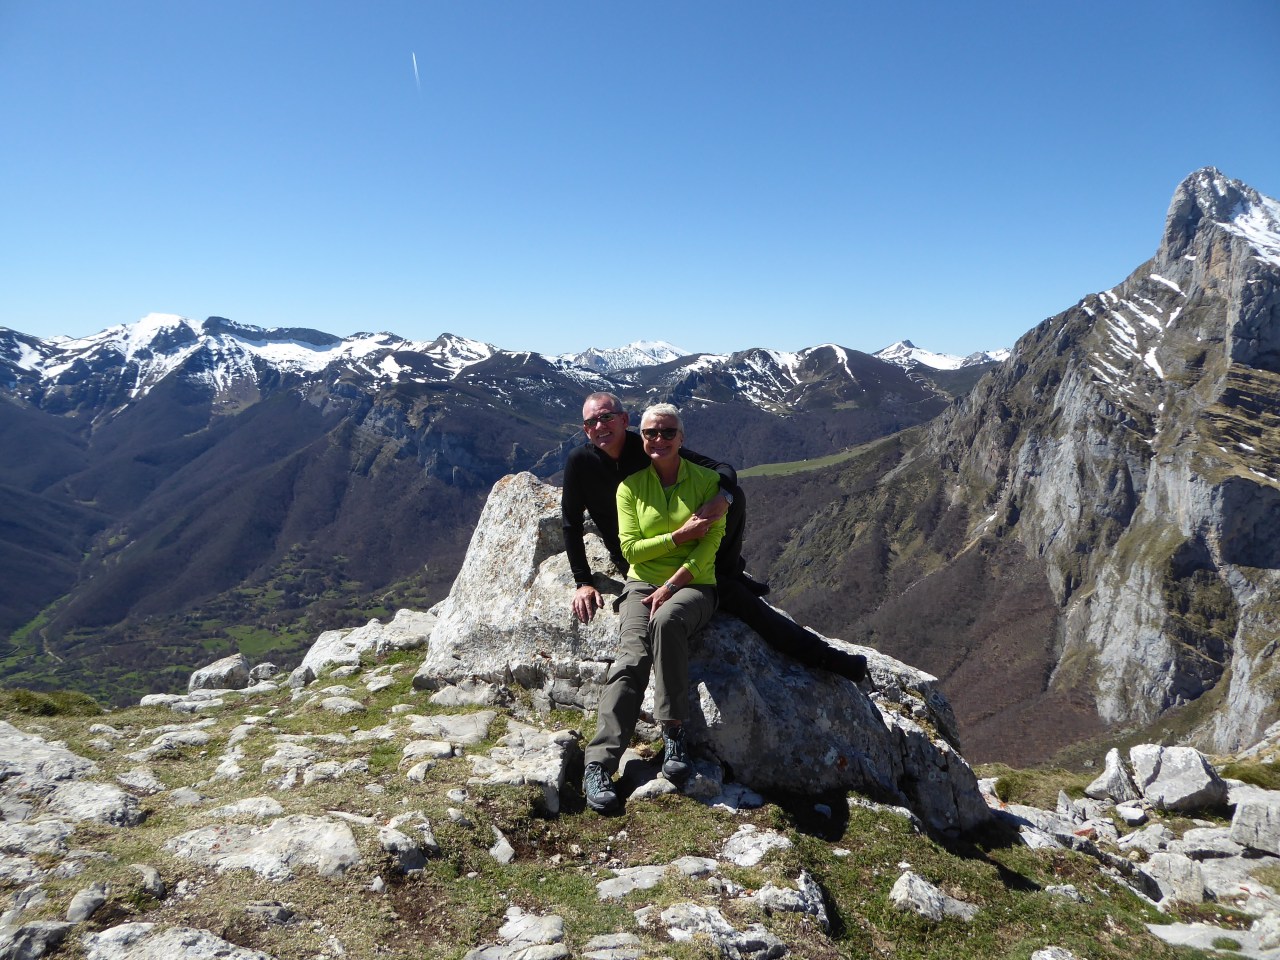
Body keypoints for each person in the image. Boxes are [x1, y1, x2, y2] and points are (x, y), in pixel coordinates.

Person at [561, 392, 866, 680]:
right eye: (591, 422)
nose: (599, 427)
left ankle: (729, 572)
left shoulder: (649, 447)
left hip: (684, 553)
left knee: (736, 503)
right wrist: (583, 582)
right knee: (742, 602)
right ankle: (827, 657)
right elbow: (571, 523)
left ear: (625, 420)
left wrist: (724, 499)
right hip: (643, 558)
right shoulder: (581, 462)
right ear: (585, 429)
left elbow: (724, 472)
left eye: (606, 418)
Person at [582, 404, 724, 812]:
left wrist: (672, 584)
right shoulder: (630, 488)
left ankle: (673, 731)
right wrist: (680, 535)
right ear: (640, 438)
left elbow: (709, 547)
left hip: (694, 582)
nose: (658, 440)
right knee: (631, 657)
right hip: (641, 582)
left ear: (682, 436)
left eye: (667, 432)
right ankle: (598, 763)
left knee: (667, 620)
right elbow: (630, 549)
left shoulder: (708, 482)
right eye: (650, 434)